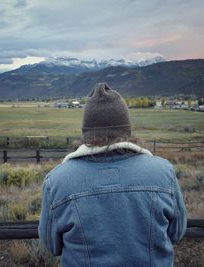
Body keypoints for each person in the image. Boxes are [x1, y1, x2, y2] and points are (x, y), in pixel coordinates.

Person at [39, 82, 187, 267]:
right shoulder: (164, 172)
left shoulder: (57, 181)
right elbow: (177, 233)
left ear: (86, 132)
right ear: (127, 129)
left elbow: (51, 245)